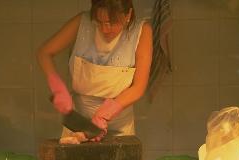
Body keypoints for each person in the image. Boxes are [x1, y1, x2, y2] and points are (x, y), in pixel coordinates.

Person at [37, 0, 153, 141]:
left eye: (112, 22)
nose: (104, 29)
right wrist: (57, 87)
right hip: (78, 128)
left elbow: (139, 87)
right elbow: (44, 53)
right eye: (99, 22)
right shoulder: (82, 22)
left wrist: (107, 112)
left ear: (128, 14)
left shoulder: (142, 31)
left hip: (120, 128)